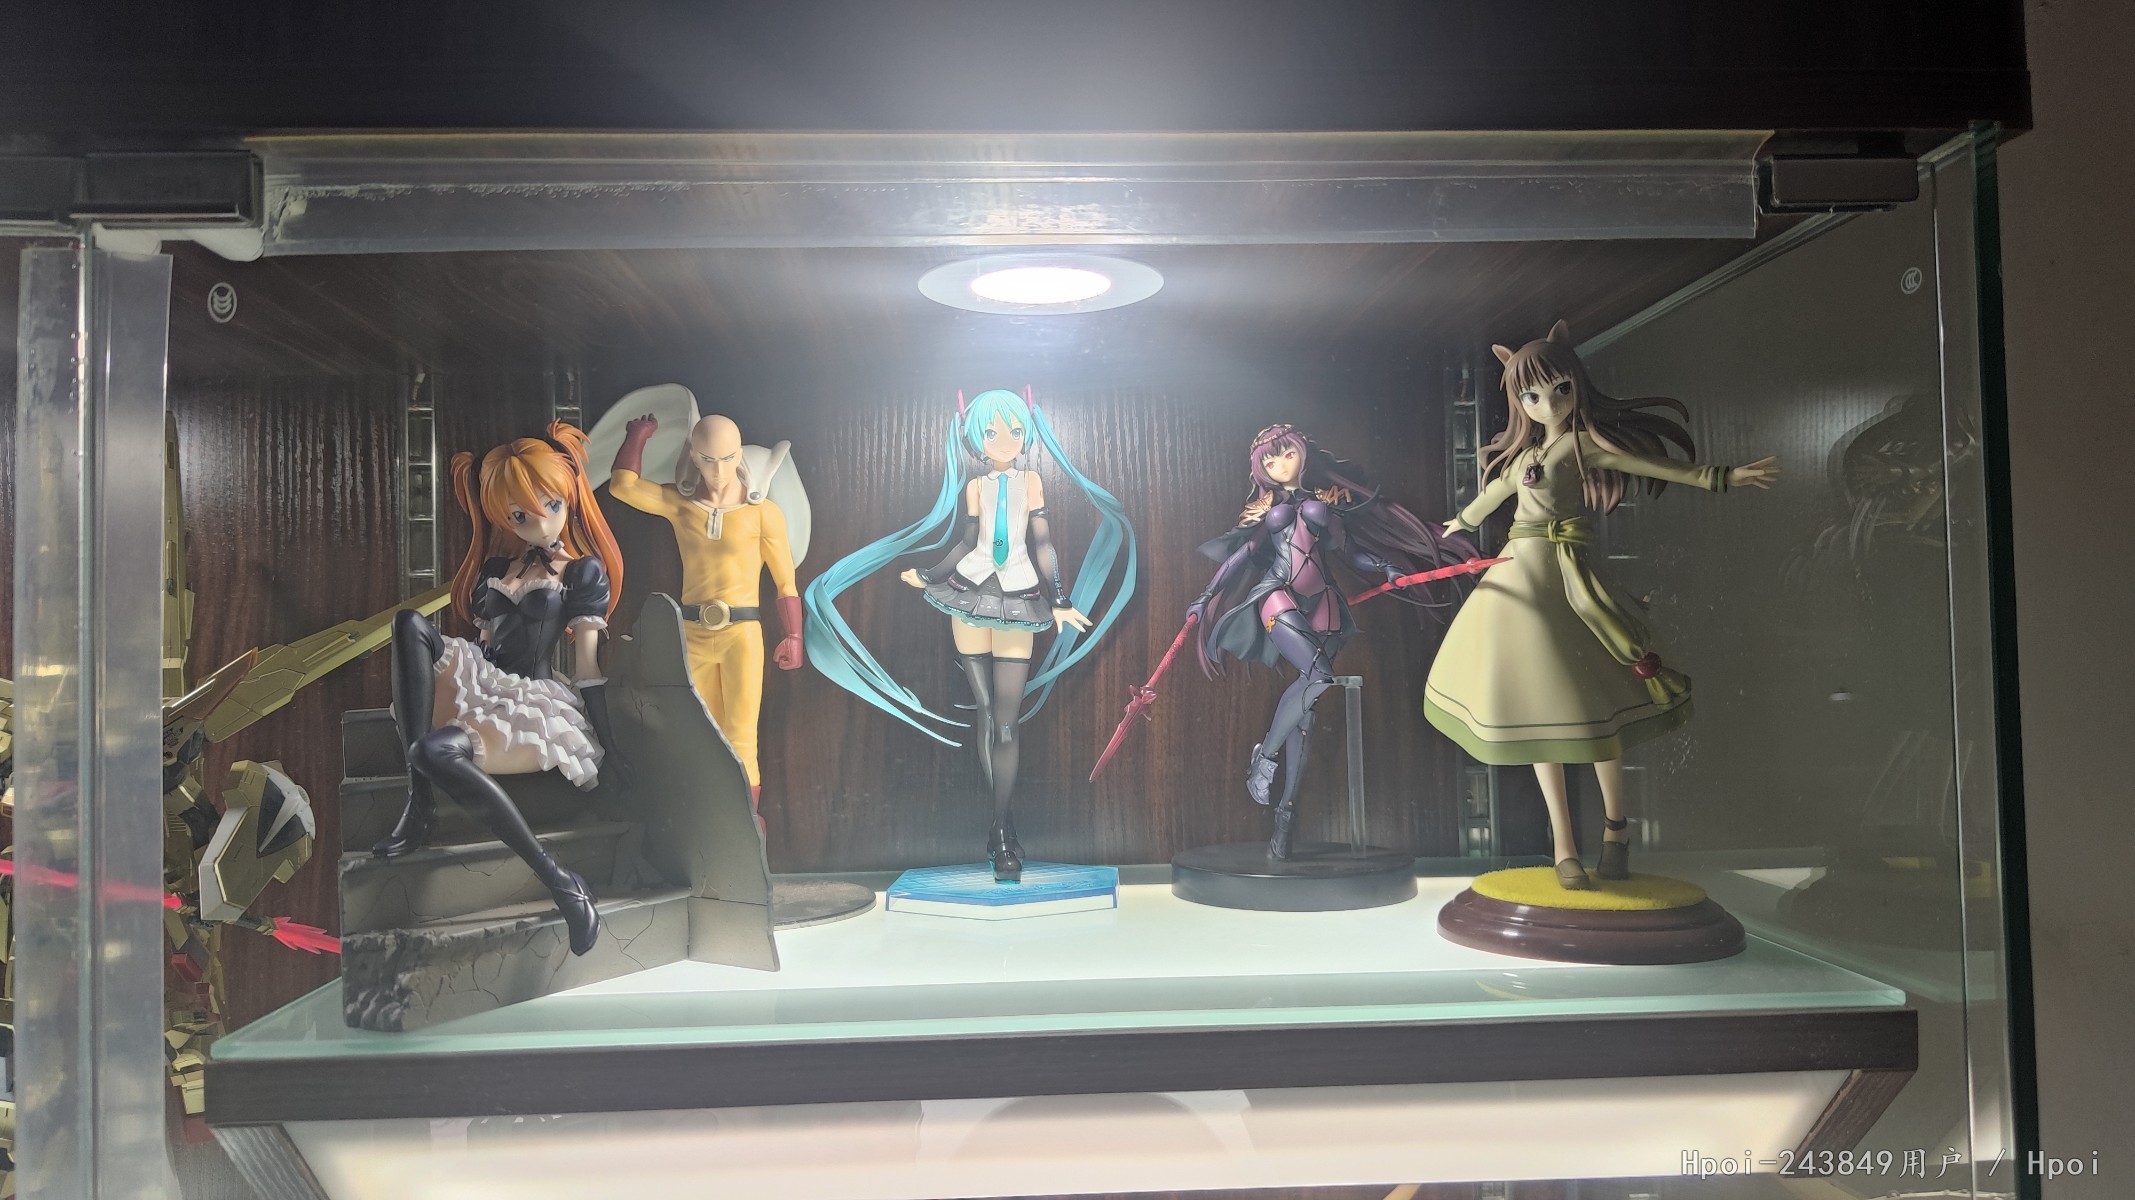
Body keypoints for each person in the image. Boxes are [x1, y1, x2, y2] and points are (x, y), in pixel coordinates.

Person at [1426, 321, 1779, 889]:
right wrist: (1460, 521)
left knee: (1597, 710)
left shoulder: (1581, 445)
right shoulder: (1527, 453)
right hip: (1518, 577)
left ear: (1576, 386)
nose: (1547, 404)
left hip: (1569, 579)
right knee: (1539, 712)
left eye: (1560, 390)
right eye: (1532, 396)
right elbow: (1495, 494)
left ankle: (1616, 829)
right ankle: (1564, 846)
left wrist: (1720, 477)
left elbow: (1651, 466)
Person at [805, 388, 1135, 881]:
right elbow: (966, 542)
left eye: (1014, 430)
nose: (1004, 440)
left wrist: (1060, 599)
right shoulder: (975, 488)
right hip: (970, 592)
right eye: (992, 431)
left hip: (1020, 594)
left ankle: (1001, 825)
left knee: (1007, 721)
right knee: (986, 712)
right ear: (974, 437)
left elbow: (1042, 542)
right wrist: (930, 575)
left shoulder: (1032, 483)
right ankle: (1002, 833)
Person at [372, 421, 626, 954]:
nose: (540, 521)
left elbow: (586, 667)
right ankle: (419, 802)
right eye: (519, 515)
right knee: (407, 622)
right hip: (482, 678)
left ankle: (561, 881)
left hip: (531, 700)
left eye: (551, 504)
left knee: (430, 750)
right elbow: (484, 641)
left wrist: (610, 745)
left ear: (569, 497)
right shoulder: (495, 568)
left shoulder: (582, 573)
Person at [1191, 424, 1473, 859]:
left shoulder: (1326, 504)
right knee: (1320, 676)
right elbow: (1241, 556)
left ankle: (1284, 819)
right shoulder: (1268, 510)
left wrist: (1387, 567)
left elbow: (1350, 551)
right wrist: (1206, 596)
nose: (1279, 465)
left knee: (1306, 715)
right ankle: (1265, 757)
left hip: (1323, 601)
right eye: (1270, 460)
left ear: (1302, 453)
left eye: (1286, 454)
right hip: (1277, 593)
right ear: (1261, 469)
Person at [607, 413, 803, 806]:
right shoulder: (682, 506)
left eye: (728, 458)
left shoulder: (763, 513)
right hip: (692, 632)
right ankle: (701, 813)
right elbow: (622, 487)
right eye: (709, 459)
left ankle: (747, 820)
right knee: (693, 730)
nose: (719, 470)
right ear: (694, 457)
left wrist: (795, 634)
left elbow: (786, 583)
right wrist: (638, 436)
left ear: (740, 455)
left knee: (741, 733)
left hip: (741, 634)